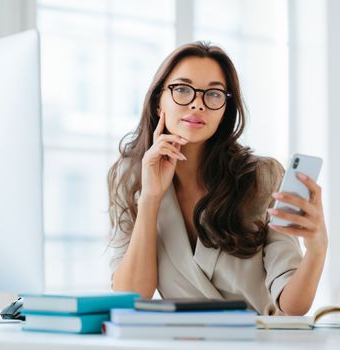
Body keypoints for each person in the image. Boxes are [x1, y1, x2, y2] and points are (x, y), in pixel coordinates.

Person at [107, 42, 328, 316]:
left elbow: (293, 306)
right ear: (157, 101)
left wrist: (317, 248)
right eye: (183, 90)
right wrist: (151, 198)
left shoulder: (262, 177)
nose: (197, 103)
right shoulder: (129, 178)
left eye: (212, 94)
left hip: (258, 342)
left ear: (225, 108)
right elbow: (132, 295)